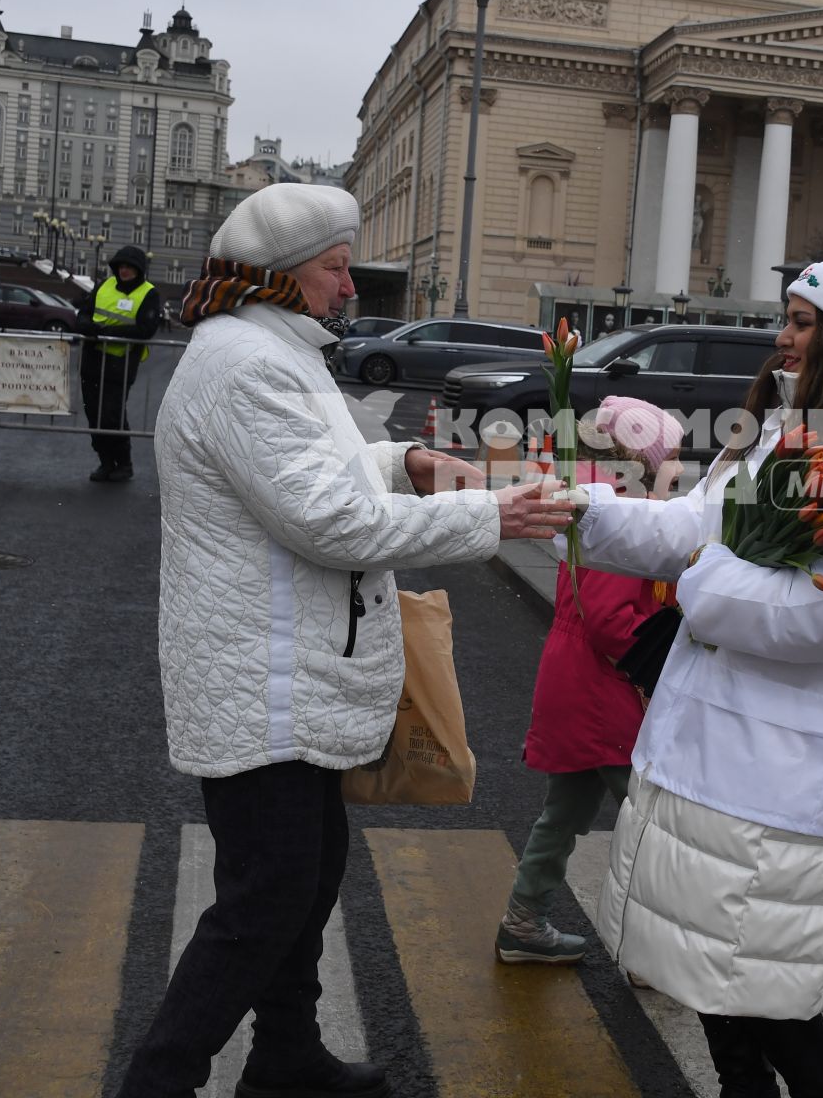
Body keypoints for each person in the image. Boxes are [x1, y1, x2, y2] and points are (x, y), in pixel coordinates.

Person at [118, 184, 574, 1098]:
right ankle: (156, 1083)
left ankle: (286, 1057)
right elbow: (328, 522)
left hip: (288, 668)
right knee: (266, 898)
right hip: (266, 678)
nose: (347, 282)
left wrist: (402, 461)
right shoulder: (248, 365)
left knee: (306, 872)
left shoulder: (270, 353)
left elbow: (318, 474)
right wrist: (487, 513)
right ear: (278, 275)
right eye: (332, 265)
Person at [570, 245, 823, 1098]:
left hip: (791, 786)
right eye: (785, 319)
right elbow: (689, 525)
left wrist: (701, 583)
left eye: (801, 323)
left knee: (773, 1006)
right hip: (713, 761)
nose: (780, 338)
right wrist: (580, 511)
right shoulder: (786, 440)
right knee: (720, 999)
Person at [497, 397, 685, 965]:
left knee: (566, 814)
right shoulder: (616, 509)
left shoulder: (593, 497)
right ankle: (651, 954)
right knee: (655, 828)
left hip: (578, 686)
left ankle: (522, 922)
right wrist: (656, 667)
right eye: (669, 453)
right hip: (607, 694)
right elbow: (609, 620)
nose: (675, 464)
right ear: (640, 454)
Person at [80, 245, 163, 483]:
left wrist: (107, 331)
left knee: (112, 416)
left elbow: (146, 329)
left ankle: (124, 463)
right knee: (93, 416)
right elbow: (83, 313)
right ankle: (105, 462)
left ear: (139, 269)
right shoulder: (104, 286)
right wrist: (86, 325)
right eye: (121, 266)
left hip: (121, 363)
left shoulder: (149, 293)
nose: (124, 270)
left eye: (130, 267)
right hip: (93, 361)